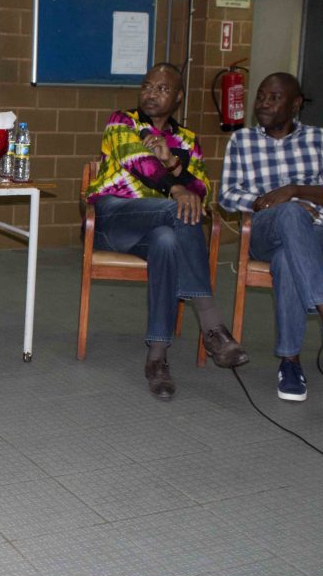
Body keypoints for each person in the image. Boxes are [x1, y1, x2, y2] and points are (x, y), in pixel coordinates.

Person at [85, 62, 248, 400]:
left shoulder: (186, 141)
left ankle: (156, 358)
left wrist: (174, 162)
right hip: (114, 218)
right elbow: (139, 165)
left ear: (178, 98)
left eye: (162, 89)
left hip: (156, 227)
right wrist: (176, 188)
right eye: (147, 86)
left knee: (167, 239)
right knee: (179, 209)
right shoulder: (122, 121)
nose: (151, 93)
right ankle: (213, 326)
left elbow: (203, 190)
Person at [219, 72, 323, 403]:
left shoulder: (321, 139)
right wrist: (269, 203)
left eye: (274, 97)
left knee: (286, 259)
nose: (264, 103)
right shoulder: (242, 141)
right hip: (264, 231)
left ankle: (290, 362)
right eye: (261, 96)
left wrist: (294, 191)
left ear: (295, 104)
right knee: (291, 214)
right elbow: (226, 195)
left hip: (319, 235)